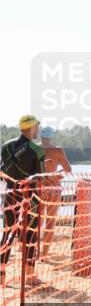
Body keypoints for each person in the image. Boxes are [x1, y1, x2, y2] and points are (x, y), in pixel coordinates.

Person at [1, 115, 44, 287]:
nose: (38, 130)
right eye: (37, 127)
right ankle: (30, 276)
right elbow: (39, 178)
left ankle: (1, 275)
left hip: (10, 196)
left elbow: (3, 170)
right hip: (29, 199)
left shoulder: (6, 146)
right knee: (30, 236)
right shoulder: (36, 149)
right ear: (32, 128)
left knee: (7, 235)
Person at [39, 126, 72, 258]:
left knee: (36, 221)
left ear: (40, 136)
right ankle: (44, 254)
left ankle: (32, 252)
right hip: (53, 187)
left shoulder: (34, 149)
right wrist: (56, 174)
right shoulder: (57, 150)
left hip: (38, 186)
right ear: (51, 136)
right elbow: (68, 169)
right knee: (50, 222)